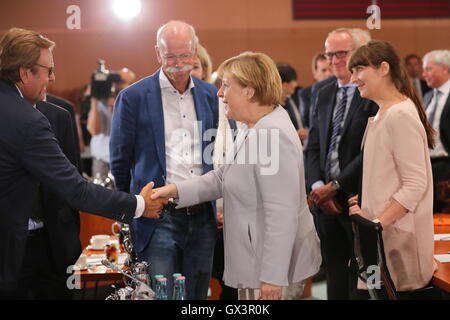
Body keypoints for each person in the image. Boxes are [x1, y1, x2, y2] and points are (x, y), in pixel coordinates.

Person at [0, 27, 166, 299]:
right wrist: (139, 204)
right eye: (47, 70)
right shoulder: (26, 120)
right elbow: (75, 189)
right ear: (24, 72)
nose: (52, 78)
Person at [151, 51, 321, 300]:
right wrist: (174, 191)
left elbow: (280, 213)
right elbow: (223, 177)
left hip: (272, 270)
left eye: (226, 85)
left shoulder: (270, 135)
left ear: (249, 91)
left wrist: (272, 277)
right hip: (258, 261)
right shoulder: (253, 126)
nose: (219, 92)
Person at [109, 21, 219, 300]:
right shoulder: (133, 97)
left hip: (202, 217)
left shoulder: (211, 95)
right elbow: (120, 161)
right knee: (161, 296)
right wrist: (133, 209)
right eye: (170, 56)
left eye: (184, 56)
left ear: (195, 51)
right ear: (158, 53)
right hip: (158, 218)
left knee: (196, 296)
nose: (179, 64)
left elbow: (220, 155)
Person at [347, 40, 437, 295]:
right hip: (382, 240)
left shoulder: (400, 115)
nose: (353, 78)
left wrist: (376, 222)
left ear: (383, 68)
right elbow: (387, 176)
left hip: (397, 241)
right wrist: (366, 199)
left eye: (359, 69)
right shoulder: (384, 113)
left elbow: (415, 184)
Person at [305, 28, 378, 300]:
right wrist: (317, 188)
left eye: (342, 53)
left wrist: (334, 187)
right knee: (334, 270)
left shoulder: (370, 92)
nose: (335, 60)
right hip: (323, 200)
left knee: (363, 276)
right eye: (329, 54)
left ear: (358, 54)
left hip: (358, 197)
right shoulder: (322, 92)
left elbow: (370, 149)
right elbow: (313, 146)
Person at [190, 44, 239, 300]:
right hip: (194, 210)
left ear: (206, 71)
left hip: (230, 214)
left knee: (230, 284)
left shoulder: (229, 109)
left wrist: (223, 206)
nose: (190, 71)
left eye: (196, 66)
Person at [422, 50, 450, 213]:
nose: (423, 74)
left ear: (445, 69)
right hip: (427, 166)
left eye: (428, 69)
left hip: (446, 165)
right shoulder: (427, 96)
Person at [277, 63, 307, 143]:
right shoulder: (271, 106)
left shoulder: (293, 97)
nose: (296, 84)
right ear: (284, 84)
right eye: (294, 81)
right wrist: (294, 135)